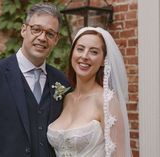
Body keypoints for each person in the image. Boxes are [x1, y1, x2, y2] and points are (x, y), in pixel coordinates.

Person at [0, 3, 70, 157]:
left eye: (50, 34)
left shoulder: (62, 81)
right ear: (24, 30)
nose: (42, 38)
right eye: (36, 29)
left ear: (56, 39)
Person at [47, 27, 132, 157]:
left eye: (94, 52)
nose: (84, 56)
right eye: (80, 49)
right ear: (72, 53)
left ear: (104, 60)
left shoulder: (106, 101)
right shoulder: (65, 98)